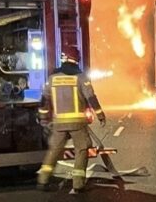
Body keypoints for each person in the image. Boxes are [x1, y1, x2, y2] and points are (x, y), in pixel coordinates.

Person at [36, 46, 106, 193]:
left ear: (63, 58)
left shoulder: (52, 78)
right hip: (77, 124)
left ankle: (42, 180)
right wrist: (100, 115)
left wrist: (42, 118)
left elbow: (44, 100)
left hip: (58, 123)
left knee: (54, 151)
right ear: (76, 60)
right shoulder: (81, 77)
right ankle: (78, 184)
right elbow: (91, 98)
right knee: (82, 149)